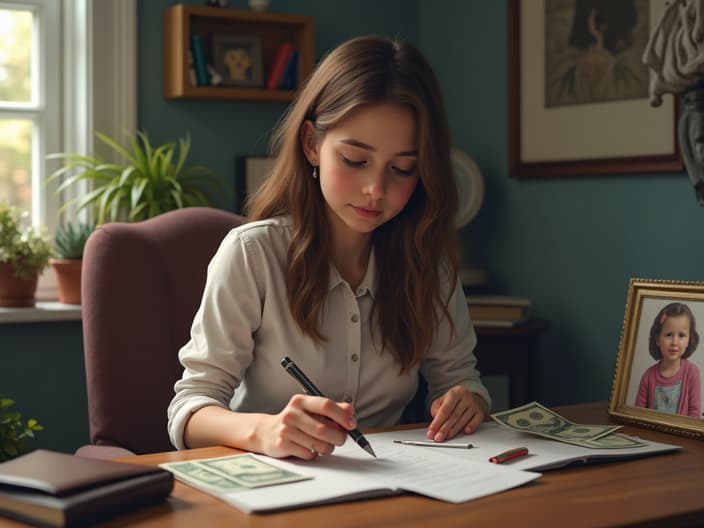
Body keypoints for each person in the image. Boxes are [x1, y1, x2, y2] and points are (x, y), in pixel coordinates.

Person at [167, 35, 491, 460]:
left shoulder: (428, 266)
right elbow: (189, 411)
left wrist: (468, 403)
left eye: (403, 168)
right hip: (267, 487)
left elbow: (461, 381)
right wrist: (265, 431)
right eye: (355, 160)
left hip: (388, 487)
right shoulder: (252, 255)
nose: (376, 189)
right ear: (311, 145)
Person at [635, 302, 701, 418]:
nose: (675, 342)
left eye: (681, 335)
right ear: (657, 339)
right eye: (669, 334)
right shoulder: (648, 376)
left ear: (689, 340)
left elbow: (694, 413)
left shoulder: (692, 373)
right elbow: (638, 414)